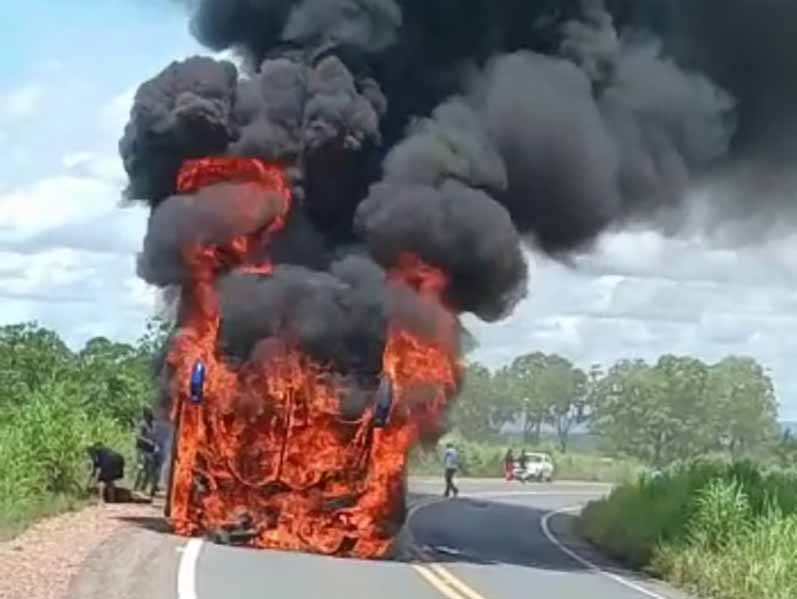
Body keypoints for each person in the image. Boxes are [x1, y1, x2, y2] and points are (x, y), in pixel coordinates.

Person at [134, 408, 161, 497]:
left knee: (149, 471)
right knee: (141, 469)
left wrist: (156, 444)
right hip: (142, 450)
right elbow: (138, 437)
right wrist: (149, 442)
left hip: (150, 451)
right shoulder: (142, 424)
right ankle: (136, 488)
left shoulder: (152, 425)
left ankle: (143, 489)